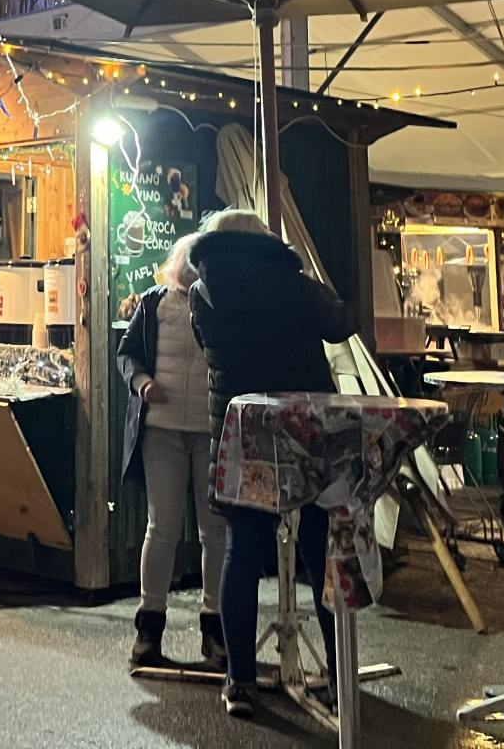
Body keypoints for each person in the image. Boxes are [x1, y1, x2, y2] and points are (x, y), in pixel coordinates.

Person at [189, 208, 354, 720]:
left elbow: (209, 348)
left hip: (245, 433)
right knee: (319, 548)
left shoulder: (203, 291)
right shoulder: (293, 282)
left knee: (243, 549)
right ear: (264, 240)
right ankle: (339, 674)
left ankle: (240, 680)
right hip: (305, 426)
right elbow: (342, 323)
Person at [118, 233, 225, 673]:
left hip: (209, 431)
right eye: (185, 260)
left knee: (213, 531)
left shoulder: (218, 305)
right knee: (162, 528)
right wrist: (143, 384)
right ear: (175, 262)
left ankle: (214, 627)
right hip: (161, 431)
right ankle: (149, 627)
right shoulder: (152, 303)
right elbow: (127, 355)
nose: (189, 268)